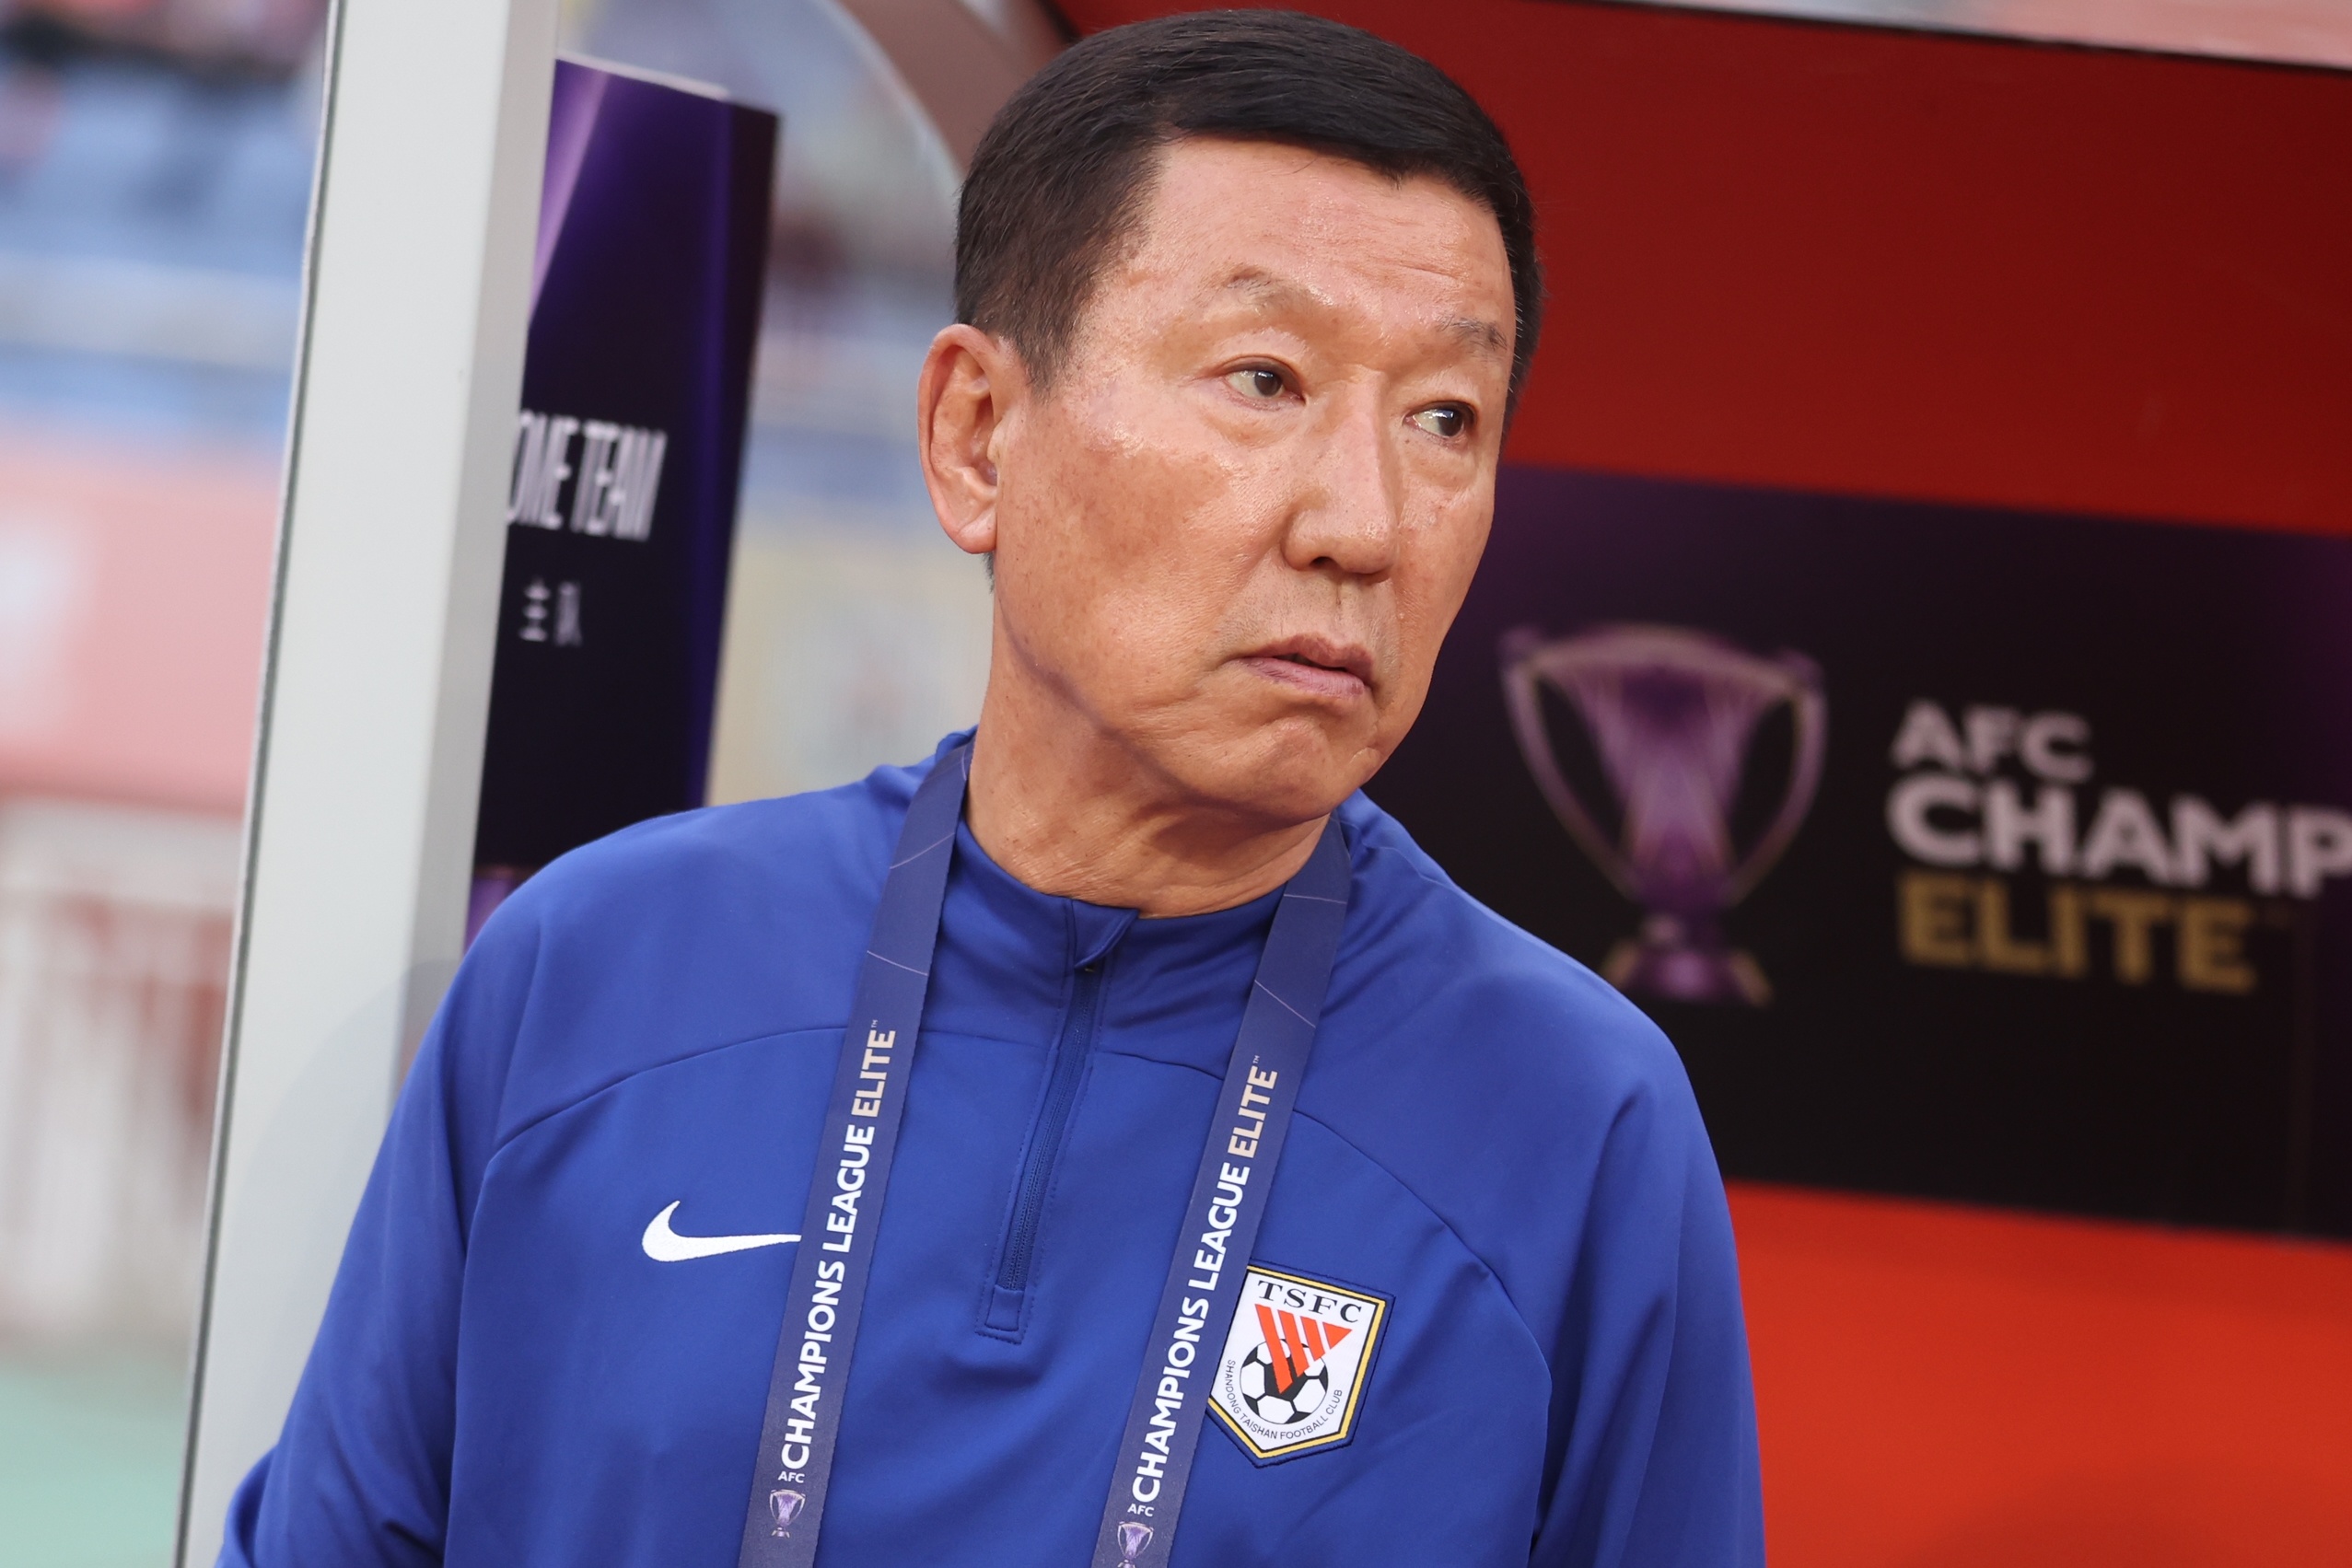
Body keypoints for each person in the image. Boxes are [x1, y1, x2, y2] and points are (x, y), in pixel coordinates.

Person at [220, 11, 1763, 1566]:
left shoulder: (1575, 1119)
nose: (1361, 524)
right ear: (976, 435)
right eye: (1265, 377)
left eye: (1444, 419)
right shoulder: (599, 967)